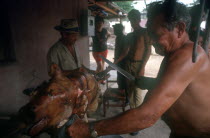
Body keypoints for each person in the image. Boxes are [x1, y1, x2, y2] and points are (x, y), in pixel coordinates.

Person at [67, 1, 210, 138]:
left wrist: (88, 129)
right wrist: (148, 82)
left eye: (157, 35)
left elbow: (147, 116)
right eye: (151, 36)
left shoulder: (188, 56)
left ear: (179, 29)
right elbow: (179, 87)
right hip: (181, 133)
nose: (152, 42)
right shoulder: (172, 55)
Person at [114, 9, 151, 110]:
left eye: (134, 20)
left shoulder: (145, 33)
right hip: (128, 64)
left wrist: (142, 68)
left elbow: (148, 52)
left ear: (139, 20)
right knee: (129, 90)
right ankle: (132, 110)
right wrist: (115, 63)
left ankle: (138, 112)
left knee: (138, 89)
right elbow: (125, 52)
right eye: (130, 20)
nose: (132, 22)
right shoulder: (129, 35)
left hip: (139, 65)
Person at [113, 24, 127, 96]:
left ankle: (124, 97)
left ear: (119, 30)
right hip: (118, 62)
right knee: (119, 78)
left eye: (115, 29)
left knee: (122, 79)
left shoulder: (124, 38)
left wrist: (116, 61)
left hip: (123, 62)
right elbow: (117, 51)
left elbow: (124, 53)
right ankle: (120, 94)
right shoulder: (118, 38)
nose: (114, 31)